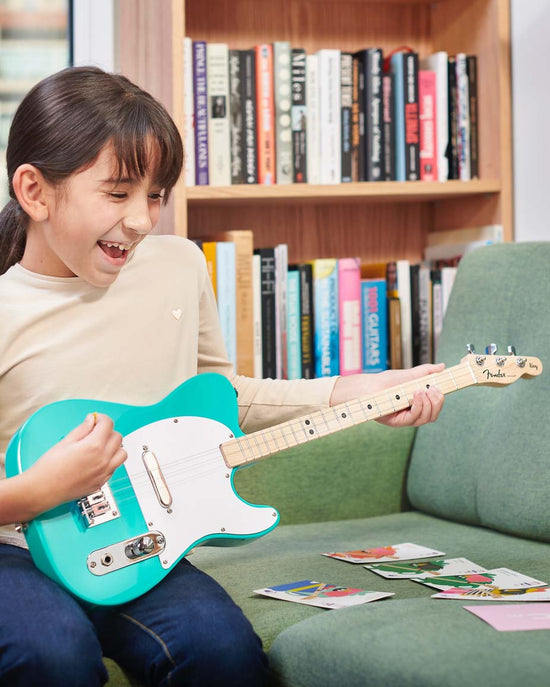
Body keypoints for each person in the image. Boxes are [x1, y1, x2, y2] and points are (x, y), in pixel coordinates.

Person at [0, 66, 444, 687]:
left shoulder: (179, 267)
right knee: (51, 656)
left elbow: (219, 402)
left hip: (141, 547)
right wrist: (41, 489)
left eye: (156, 195)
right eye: (118, 191)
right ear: (35, 191)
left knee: (223, 653)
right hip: (10, 554)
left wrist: (357, 391)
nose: (140, 220)